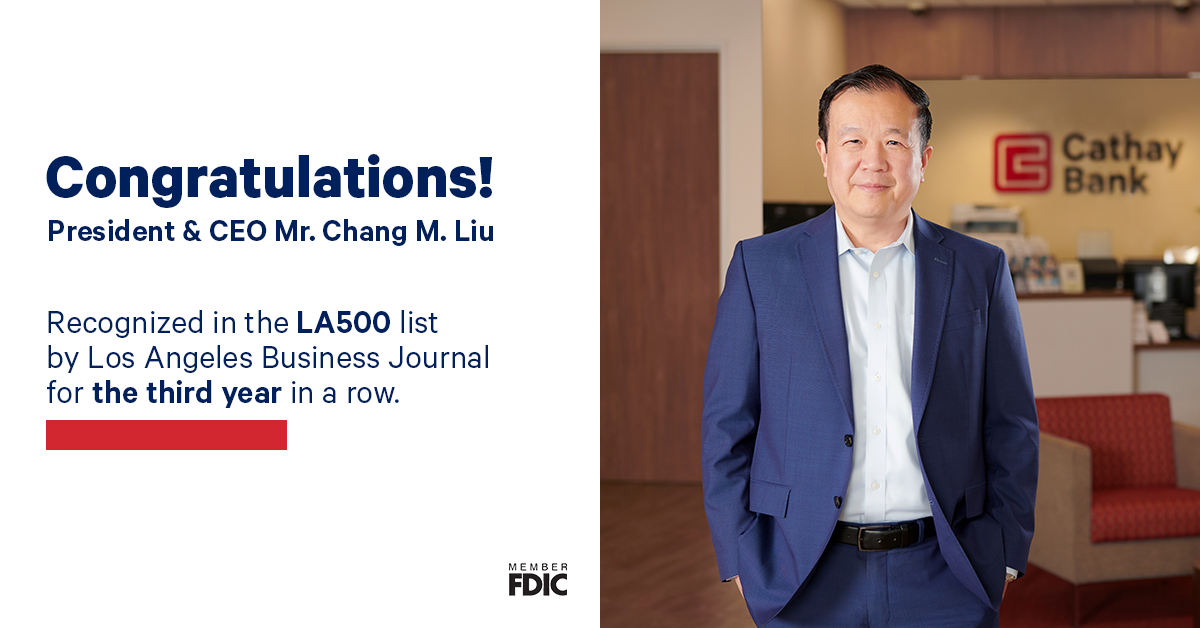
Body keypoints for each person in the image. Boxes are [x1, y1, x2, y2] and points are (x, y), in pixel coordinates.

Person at [700, 65, 1038, 627]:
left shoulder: (980, 269)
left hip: (946, 571)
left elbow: (1011, 423)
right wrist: (740, 555)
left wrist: (1002, 550)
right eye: (852, 140)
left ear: (923, 158)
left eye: (894, 141)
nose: (872, 160)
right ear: (824, 154)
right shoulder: (761, 268)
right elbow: (726, 423)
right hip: (801, 572)